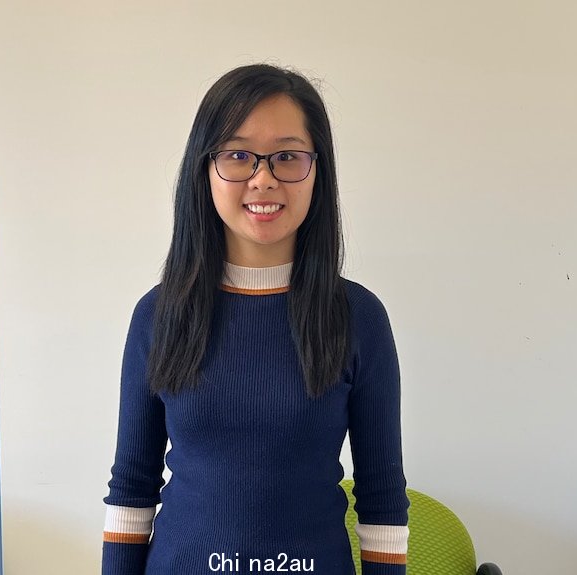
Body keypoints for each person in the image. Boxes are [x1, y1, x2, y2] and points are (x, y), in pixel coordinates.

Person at [102, 64, 409, 575]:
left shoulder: (359, 318)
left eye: (287, 156)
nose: (262, 177)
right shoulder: (159, 314)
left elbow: (381, 496)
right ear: (205, 168)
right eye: (238, 155)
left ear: (318, 170)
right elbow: (133, 484)